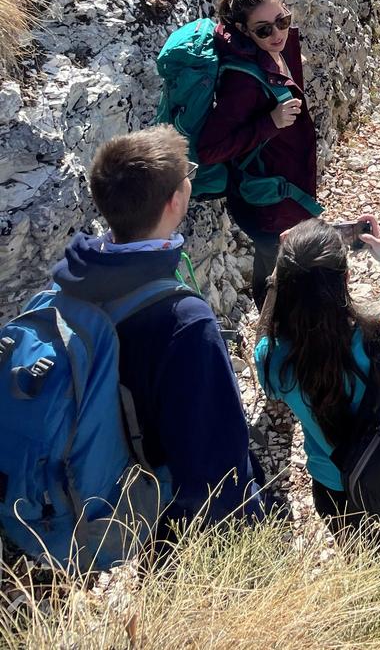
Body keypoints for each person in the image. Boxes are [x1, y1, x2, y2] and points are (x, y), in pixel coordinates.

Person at [51, 126, 266, 533]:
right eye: (188, 177)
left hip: (105, 491)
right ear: (176, 201)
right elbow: (217, 469)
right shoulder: (185, 321)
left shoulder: (74, 280)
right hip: (168, 517)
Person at [254, 216, 380, 528]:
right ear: (345, 278)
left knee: (361, 555)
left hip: (338, 487)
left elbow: (264, 335)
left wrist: (280, 271)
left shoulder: (274, 360)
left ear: (285, 286)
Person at [198, 0, 318, 307]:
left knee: (278, 267)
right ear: (243, 30)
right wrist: (270, 123)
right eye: (264, 29)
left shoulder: (278, 48)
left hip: (285, 192)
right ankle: (272, 325)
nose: (277, 33)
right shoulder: (242, 81)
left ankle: (274, 315)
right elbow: (209, 149)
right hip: (267, 206)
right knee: (282, 274)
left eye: (282, 20)